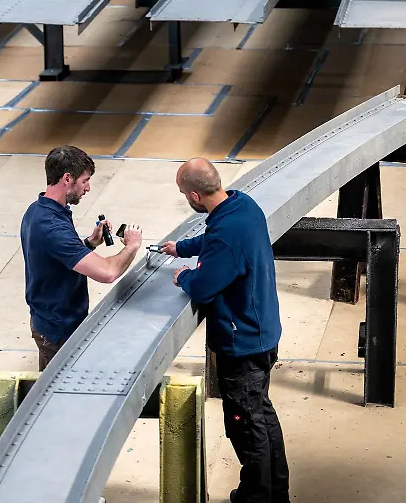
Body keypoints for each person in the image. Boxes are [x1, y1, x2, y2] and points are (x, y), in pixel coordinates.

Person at [159, 157, 289, 503]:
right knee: (261, 417)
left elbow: (204, 287)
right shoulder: (243, 205)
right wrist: (182, 248)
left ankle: (256, 498)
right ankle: (276, 494)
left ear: (194, 196)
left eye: (184, 193)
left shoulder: (226, 234)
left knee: (246, 428)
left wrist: (184, 276)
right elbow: (216, 239)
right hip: (262, 333)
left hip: (242, 345)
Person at [20, 145, 143, 370]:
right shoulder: (52, 228)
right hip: (59, 331)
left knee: (47, 383)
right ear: (67, 179)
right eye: (85, 181)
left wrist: (89, 243)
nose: (88, 188)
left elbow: (56, 257)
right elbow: (108, 273)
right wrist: (132, 246)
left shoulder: (38, 210)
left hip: (47, 320)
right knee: (58, 389)